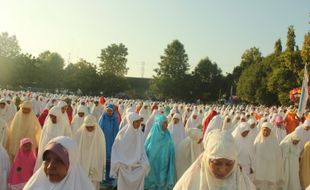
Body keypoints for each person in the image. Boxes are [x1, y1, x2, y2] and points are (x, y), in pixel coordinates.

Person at [173, 129, 255, 190]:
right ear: (206, 158)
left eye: (229, 164)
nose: (223, 169)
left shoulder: (244, 185)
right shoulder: (188, 185)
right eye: (217, 163)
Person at [23, 136, 94, 189]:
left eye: (58, 161)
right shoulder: (33, 186)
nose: (49, 167)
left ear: (70, 164)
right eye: (47, 159)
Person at [110, 112, 150, 190]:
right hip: (124, 164)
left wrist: (144, 161)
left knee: (144, 167)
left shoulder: (140, 134)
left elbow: (142, 151)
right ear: (132, 122)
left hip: (137, 164)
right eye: (136, 122)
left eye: (139, 121)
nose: (139, 124)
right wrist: (119, 161)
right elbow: (116, 149)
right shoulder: (122, 134)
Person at [34, 106, 72, 171]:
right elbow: (42, 141)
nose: (52, 118)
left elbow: (67, 140)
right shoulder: (47, 125)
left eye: (54, 117)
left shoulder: (64, 125)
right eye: (51, 116)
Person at [74, 115, 106, 190]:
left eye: (92, 127)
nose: (90, 129)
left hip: (94, 162)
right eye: (87, 127)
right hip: (82, 161)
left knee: (93, 182)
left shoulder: (100, 134)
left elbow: (101, 151)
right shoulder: (79, 134)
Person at [144, 114, 175, 190]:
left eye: (166, 123)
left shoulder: (168, 134)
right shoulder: (152, 135)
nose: (166, 125)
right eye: (164, 123)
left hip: (164, 163)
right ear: (159, 124)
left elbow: (171, 148)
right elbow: (146, 148)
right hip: (153, 163)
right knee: (152, 180)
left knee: (162, 179)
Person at [253, 122, 285, 190]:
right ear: (261, 130)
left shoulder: (274, 142)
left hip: (270, 166)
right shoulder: (257, 141)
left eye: (268, 130)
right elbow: (253, 153)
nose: (265, 132)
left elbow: (278, 156)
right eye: (264, 130)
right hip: (260, 166)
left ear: (271, 131)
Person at [98, 104, 119, 187]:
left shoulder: (115, 119)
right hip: (104, 142)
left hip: (112, 142)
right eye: (108, 111)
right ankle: (103, 178)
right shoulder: (103, 118)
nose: (109, 112)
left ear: (113, 111)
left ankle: (110, 178)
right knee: (103, 160)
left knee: (111, 161)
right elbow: (99, 131)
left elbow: (117, 132)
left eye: (111, 111)